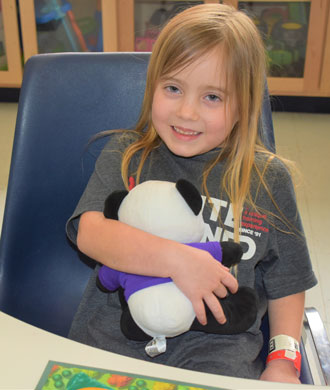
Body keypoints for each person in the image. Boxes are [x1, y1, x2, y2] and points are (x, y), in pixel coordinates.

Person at [66, 3, 317, 384]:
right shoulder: (126, 155)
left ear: (244, 105)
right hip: (109, 347)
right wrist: (179, 261)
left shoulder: (268, 180)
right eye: (172, 88)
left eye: (212, 97)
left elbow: (288, 281)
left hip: (216, 358)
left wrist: (283, 360)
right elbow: (91, 233)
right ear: (152, 87)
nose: (186, 112)